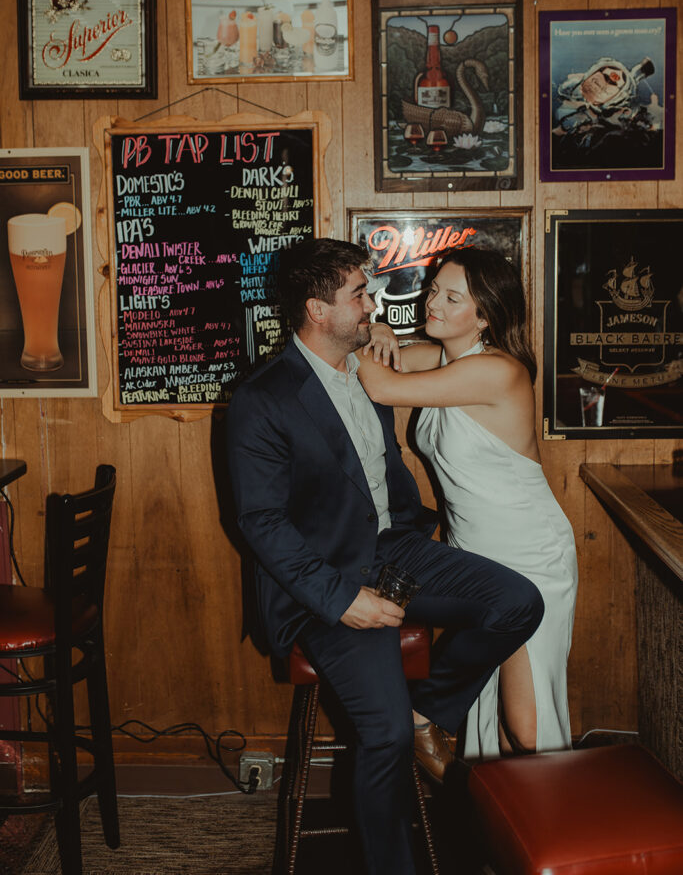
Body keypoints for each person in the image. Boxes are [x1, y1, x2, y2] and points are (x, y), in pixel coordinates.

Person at [227, 238, 544, 875]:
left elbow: (388, 458)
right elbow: (260, 523)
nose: (373, 303)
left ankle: (432, 710)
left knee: (517, 603)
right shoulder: (263, 398)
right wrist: (343, 600)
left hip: (393, 552)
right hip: (325, 585)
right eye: (359, 295)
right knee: (385, 735)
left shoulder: (364, 370)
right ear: (318, 310)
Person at [358, 247, 578, 761]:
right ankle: (506, 833)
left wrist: (379, 335)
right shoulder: (445, 359)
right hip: (476, 557)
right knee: (493, 722)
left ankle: (564, 831)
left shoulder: (498, 371)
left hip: (528, 552)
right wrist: (378, 332)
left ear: (485, 316)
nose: (433, 302)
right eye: (434, 289)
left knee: (527, 725)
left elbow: (382, 385)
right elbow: (367, 360)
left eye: (452, 297)